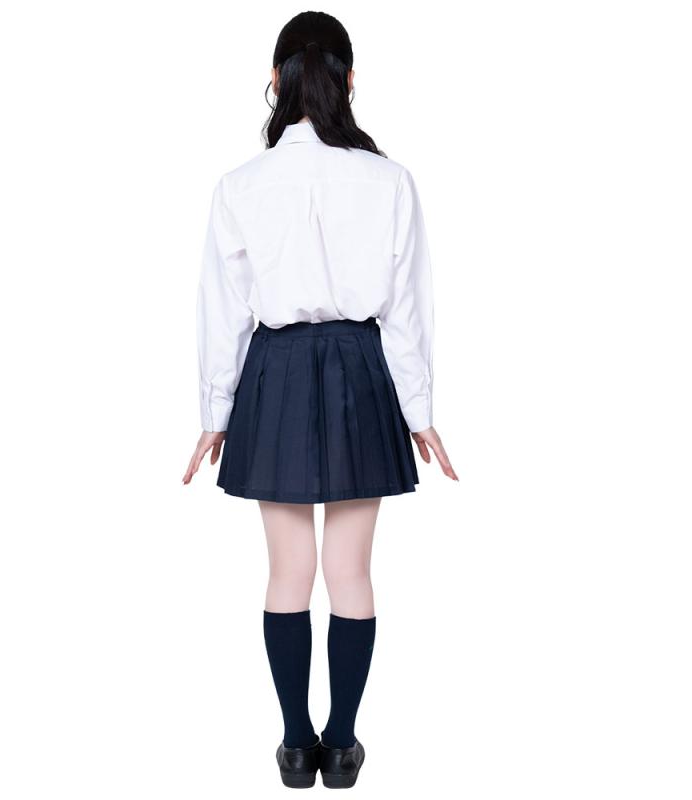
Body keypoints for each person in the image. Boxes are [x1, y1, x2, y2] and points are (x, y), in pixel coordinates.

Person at [182, 10, 458, 789]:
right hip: (360, 369)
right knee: (351, 573)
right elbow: (407, 310)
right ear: (349, 81)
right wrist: (419, 411)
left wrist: (214, 416)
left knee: (287, 573)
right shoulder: (389, 180)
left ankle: (295, 745)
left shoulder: (239, 185)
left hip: (273, 370)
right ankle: (341, 746)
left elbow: (223, 312)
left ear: (275, 81)